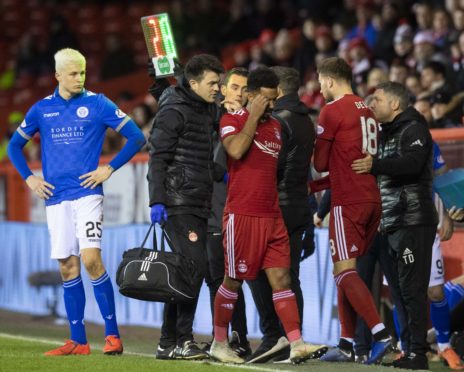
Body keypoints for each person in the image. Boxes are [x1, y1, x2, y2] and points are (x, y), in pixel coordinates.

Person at [6, 48, 146, 355]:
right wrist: (29, 178)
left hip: (87, 194)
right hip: (55, 198)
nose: (79, 78)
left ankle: (112, 336)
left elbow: (137, 137)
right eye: (73, 73)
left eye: (82, 72)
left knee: (91, 260)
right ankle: (78, 341)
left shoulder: (98, 103)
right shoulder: (41, 109)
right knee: (68, 267)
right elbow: (14, 147)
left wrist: (109, 168)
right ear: (57, 75)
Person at [209, 66, 327, 364]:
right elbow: (235, 150)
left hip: (273, 215)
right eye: (267, 99)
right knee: (233, 280)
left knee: (282, 278)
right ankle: (219, 342)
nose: (272, 105)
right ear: (250, 96)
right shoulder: (231, 120)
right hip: (242, 215)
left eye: (275, 99)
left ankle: (296, 342)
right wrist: (251, 116)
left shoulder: (276, 126)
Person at [309, 57, 392, 365]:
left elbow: (320, 164)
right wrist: (318, 189)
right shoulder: (367, 108)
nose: (319, 87)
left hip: (348, 202)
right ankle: (346, 343)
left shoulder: (332, 110)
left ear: (330, 81)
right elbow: (350, 161)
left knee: (345, 271)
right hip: (372, 199)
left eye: (320, 82)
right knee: (343, 271)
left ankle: (381, 335)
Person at [352, 81, 438, 370]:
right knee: (402, 289)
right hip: (394, 221)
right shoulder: (388, 131)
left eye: (377, 99)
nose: (371, 103)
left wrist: (374, 165)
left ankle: (418, 354)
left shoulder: (414, 128)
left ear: (395, 105)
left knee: (412, 289)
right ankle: (412, 350)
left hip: (412, 220)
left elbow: (412, 164)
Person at [147, 54, 224, 360]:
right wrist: (157, 199)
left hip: (198, 200)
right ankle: (183, 340)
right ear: (193, 84)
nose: (217, 88)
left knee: (184, 271)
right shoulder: (174, 110)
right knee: (193, 269)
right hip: (178, 202)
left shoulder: (206, 109)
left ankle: (168, 342)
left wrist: (221, 174)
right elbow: (158, 156)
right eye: (212, 83)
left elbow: (201, 157)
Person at [246, 66, 316, 363]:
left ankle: (274, 336)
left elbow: (271, 165)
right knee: (291, 276)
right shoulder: (307, 120)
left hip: (276, 206)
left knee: (259, 273)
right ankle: (293, 337)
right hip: (300, 205)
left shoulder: (278, 120)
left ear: (277, 90)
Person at [205, 67, 251, 358]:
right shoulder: (211, 118)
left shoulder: (254, 122)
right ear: (223, 89)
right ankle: (220, 337)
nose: (239, 93)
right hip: (212, 209)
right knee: (216, 279)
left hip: (237, 210)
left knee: (231, 278)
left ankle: (241, 337)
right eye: (234, 87)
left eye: (245, 89)